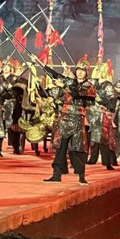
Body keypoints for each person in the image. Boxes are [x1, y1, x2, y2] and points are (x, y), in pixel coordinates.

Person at [40, 55, 97, 185]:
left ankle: (81, 176)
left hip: (77, 120)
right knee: (60, 147)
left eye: (83, 70)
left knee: (77, 148)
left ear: (86, 72)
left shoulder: (88, 86)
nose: (80, 72)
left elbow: (76, 93)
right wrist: (41, 65)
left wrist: (63, 85)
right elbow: (55, 75)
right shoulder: (70, 82)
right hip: (64, 119)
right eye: (78, 70)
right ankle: (56, 175)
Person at [87, 60, 118, 170]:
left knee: (103, 138)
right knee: (91, 137)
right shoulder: (92, 82)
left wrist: (101, 100)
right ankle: (92, 158)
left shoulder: (108, 86)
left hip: (102, 113)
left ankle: (107, 161)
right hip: (91, 113)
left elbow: (112, 102)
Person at [0, 58, 27, 155]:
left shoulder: (14, 78)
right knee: (0, 125)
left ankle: (16, 147)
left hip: (13, 104)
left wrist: (13, 87)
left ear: (11, 68)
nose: (6, 68)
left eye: (8, 66)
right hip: (0, 104)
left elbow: (22, 86)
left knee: (14, 126)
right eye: (4, 66)